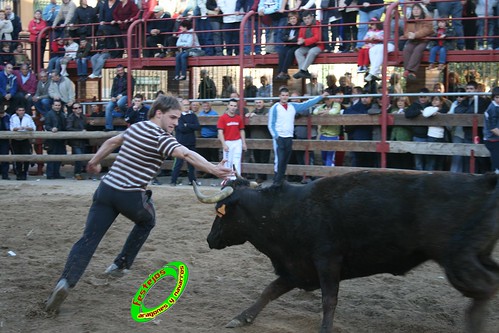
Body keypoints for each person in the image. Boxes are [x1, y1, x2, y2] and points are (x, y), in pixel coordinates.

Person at [44, 95, 233, 313]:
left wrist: (95, 161)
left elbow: (111, 142)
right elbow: (186, 153)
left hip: (105, 191)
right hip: (130, 195)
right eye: (173, 117)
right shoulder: (162, 138)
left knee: (88, 238)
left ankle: (65, 282)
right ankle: (121, 265)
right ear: (159, 113)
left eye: (178, 119)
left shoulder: (136, 127)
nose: (176, 123)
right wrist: (213, 169)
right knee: (147, 220)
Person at [268, 87, 325, 185]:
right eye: (283, 95)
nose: (285, 97)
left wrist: (320, 97)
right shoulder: (275, 107)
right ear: (279, 96)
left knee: (285, 159)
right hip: (279, 137)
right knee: (279, 159)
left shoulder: (292, 106)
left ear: (288, 96)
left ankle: (280, 180)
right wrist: (276, 136)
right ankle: (276, 181)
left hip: (289, 137)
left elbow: (307, 104)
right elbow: (271, 124)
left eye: (286, 95)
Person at [170, 99, 201, 186]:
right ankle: (173, 180)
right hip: (181, 142)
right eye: (184, 105)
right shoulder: (179, 116)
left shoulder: (193, 115)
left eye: (187, 105)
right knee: (178, 163)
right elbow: (181, 128)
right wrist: (191, 126)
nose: (186, 107)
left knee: (191, 163)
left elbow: (198, 126)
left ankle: (192, 181)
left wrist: (188, 125)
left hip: (191, 142)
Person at [402, 3, 434, 81]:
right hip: (413, 40)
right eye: (414, 9)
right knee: (407, 50)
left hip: (424, 40)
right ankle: (408, 71)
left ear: (421, 10)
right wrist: (408, 35)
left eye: (417, 9)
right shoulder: (410, 20)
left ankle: (410, 70)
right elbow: (406, 32)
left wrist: (415, 35)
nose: (416, 11)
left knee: (418, 50)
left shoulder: (427, 18)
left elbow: (427, 30)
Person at [343, 91, 375, 167]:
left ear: (371, 98)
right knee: (357, 159)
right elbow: (347, 112)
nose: (364, 99)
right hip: (358, 137)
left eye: (367, 97)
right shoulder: (356, 106)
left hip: (370, 137)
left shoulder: (374, 106)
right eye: (363, 97)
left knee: (369, 159)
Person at [217, 98, 247, 175]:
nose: (233, 107)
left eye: (235, 106)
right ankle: (228, 178)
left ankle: (237, 178)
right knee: (227, 161)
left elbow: (241, 130)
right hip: (228, 142)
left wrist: (243, 143)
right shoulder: (222, 118)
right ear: (228, 106)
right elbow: (220, 132)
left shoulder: (238, 118)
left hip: (237, 142)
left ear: (236, 107)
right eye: (231, 105)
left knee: (236, 160)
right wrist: (223, 144)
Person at [404, 88, 431, 170]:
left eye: (424, 97)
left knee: (428, 159)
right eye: (420, 97)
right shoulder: (414, 105)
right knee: (418, 160)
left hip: (429, 135)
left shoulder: (430, 105)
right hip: (418, 135)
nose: (422, 98)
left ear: (428, 97)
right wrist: (419, 111)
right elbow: (407, 114)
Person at [245, 99, 271, 183]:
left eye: (260, 102)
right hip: (255, 140)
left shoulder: (268, 111)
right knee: (257, 158)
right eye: (256, 102)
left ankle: (263, 176)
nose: (258, 104)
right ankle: (259, 176)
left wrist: (258, 117)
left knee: (265, 159)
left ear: (263, 103)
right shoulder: (252, 112)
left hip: (265, 140)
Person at [313, 92, 342, 167]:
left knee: (330, 158)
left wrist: (325, 112)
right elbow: (315, 112)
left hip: (333, 135)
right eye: (325, 99)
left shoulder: (336, 105)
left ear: (332, 98)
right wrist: (326, 112)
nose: (327, 100)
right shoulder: (322, 106)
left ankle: (329, 176)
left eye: (328, 98)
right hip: (323, 135)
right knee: (324, 157)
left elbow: (334, 112)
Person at [293, 12, 323, 79]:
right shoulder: (302, 25)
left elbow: (317, 38)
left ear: (312, 18)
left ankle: (302, 70)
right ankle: (304, 71)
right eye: (305, 19)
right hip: (307, 46)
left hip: (318, 46)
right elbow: (300, 36)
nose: (307, 20)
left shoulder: (316, 24)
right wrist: (300, 40)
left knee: (312, 52)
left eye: (308, 18)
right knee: (297, 52)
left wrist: (304, 41)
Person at [9, 106, 36, 180]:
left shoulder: (28, 117)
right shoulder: (13, 117)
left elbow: (33, 127)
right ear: (16, 111)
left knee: (26, 156)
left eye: (22, 110)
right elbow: (11, 127)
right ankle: (18, 173)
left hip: (25, 139)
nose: (21, 112)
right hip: (15, 139)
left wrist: (27, 128)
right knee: (16, 157)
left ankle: (24, 173)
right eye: (19, 110)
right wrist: (16, 129)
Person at [105, 65, 134, 131]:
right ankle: (109, 127)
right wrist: (112, 96)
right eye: (118, 71)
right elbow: (113, 89)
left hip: (126, 95)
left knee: (120, 103)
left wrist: (121, 95)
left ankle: (125, 113)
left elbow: (131, 88)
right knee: (108, 107)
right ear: (117, 71)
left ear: (124, 70)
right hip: (116, 96)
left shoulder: (129, 77)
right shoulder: (115, 78)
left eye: (121, 70)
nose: (120, 72)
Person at [44, 99, 67, 179]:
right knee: (52, 157)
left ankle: (56, 174)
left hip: (61, 139)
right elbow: (46, 126)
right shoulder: (49, 114)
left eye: (59, 105)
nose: (57, 107)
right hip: (52, 139)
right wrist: (51, 129)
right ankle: (50, 174)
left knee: (59, 157)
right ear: (52, 106)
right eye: (56, 105)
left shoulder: (62, 114)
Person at [275, 12, 301, 81]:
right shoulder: (287, 26)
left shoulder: (299, 27)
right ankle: (281, 72)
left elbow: (297, 39)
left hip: (297, 46)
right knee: (281, 52)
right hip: (289, 44)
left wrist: (289, 39)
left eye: (294, 18)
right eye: (291, 18)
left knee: (290, 52)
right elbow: (283, 37)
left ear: (297, 19)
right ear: (289, 20)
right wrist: (289, 39)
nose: (293, 20)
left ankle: (283, 72)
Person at [66, 102, 87, 180]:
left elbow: (86, 127)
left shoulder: (83, 117)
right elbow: (69, 128)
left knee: (81, 157)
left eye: (79, 107)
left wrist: (90, 125)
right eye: (76, 108)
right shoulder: (70, 117)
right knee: (79, 157)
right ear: (73, 110)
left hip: (83, 140)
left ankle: (79, 172)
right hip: (75, 141)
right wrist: (80, 131)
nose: (78, 109)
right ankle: (77, 173)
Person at [197, 101, 219, 166]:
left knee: (214, 155)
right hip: (204, 137)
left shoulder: (214, 114)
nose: (205, 107)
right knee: (205, 156)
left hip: (212, 136)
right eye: (204, 106)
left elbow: (216, 127)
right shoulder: (200, 114)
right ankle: (207, 172)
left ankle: (216, 171)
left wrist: (206, 123)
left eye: (207, 106)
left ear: (210, 106)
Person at [483, 86, 499, 173]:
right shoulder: (492, 109)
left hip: (495, 139)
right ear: (493, 98)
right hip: (492, 139)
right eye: (497, 97)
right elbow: (493, 128)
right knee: (497, 162)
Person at [0, 107, 10, 179]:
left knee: (5, 157)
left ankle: (5, 174)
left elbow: (7, 127)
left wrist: (3, 118)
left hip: (4, 140)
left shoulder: (7, 117)